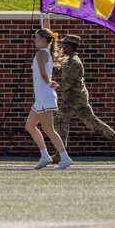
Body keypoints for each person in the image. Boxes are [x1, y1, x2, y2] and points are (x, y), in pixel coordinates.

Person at [50, 33, 115, 162]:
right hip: (78, 98)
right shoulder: (68, 60)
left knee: (60, 120)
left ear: (69, 46)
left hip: (74, 98)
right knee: (93, 122)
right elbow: (59, 71)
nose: (61, 46)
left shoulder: (75, 62)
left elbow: (67, 84)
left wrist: (52, 86)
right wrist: (48, 66)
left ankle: (60, 153)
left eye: (64, 44)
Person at [27, 28, 72, 170]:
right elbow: (49, 31)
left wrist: (48, 83)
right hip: (41, 96)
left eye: (37, 38)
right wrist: (46, 16)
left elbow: (42, 73)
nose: (34, 40)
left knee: (49, 129)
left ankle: (65, 158)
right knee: (30, 126)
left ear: (43, 40)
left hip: (44, 94)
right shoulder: (48, 51)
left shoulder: (41, 53)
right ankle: (45, 155)